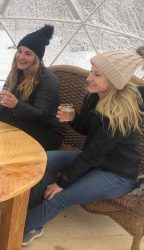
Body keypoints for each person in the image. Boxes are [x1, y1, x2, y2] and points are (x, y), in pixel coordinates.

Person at [23, 46, 144, 246]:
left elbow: (93, 155)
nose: (89, 78)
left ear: (114, 82)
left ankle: (13, 227)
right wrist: (73, 118)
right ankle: (31, 219)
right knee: (43, 159)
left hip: (116, 174)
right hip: (95, 159)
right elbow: (86, 130)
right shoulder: (96, 96)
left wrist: (62, 183)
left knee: (58, 198)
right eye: (91, 70)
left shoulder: (120, 113)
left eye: (97, 74)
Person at [0, 25, 63, 150]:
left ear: (37, 58)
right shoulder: (16, 72)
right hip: (24, 123)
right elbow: (3, 98)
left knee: (0, 135)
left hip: (47, 132)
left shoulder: (48, 80)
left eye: (28, 53)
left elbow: (41, 115)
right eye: (19, 51)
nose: (21, 57)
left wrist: (16, 105)